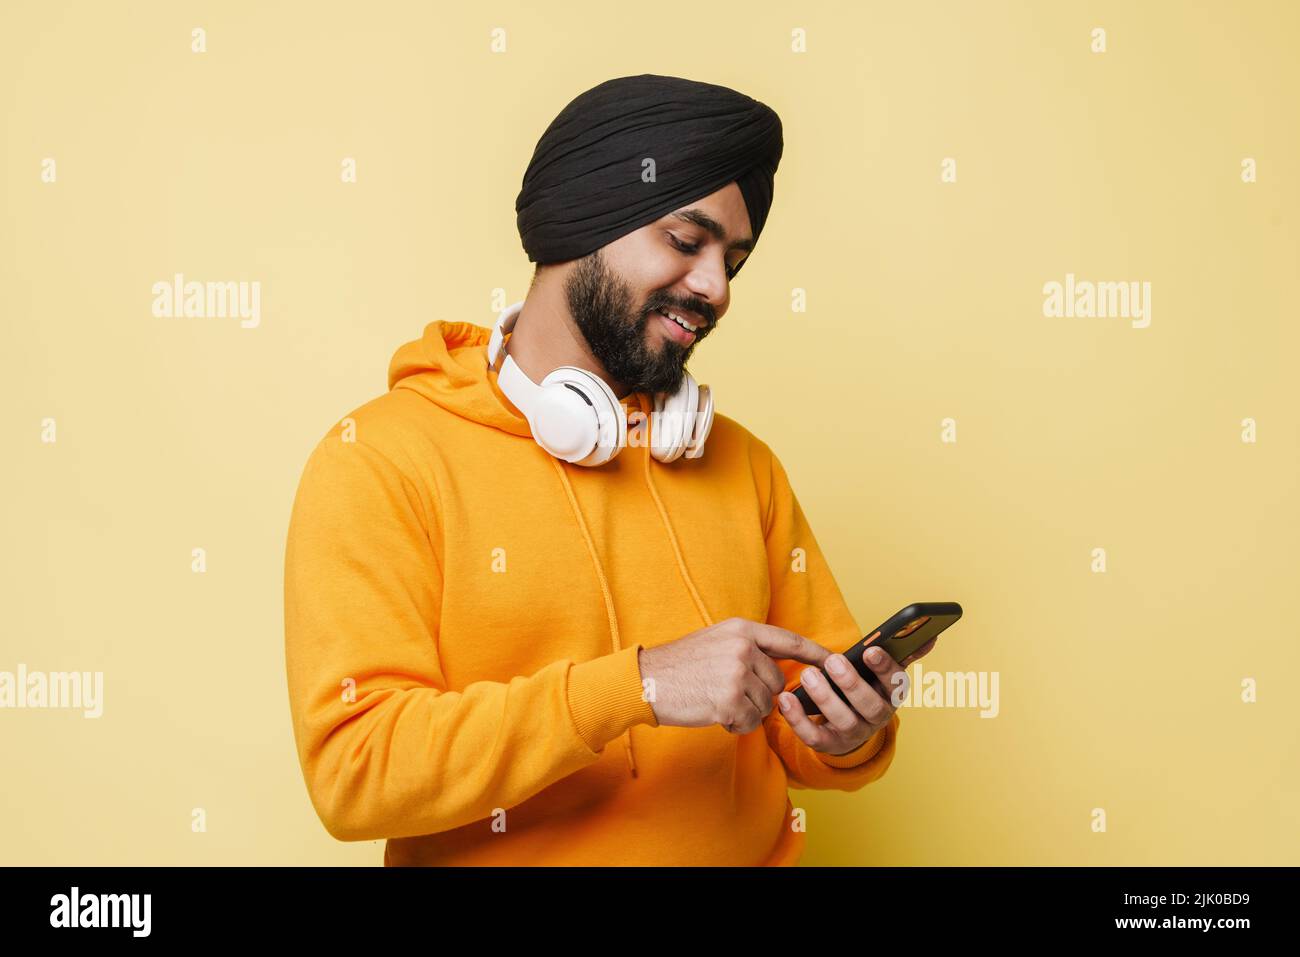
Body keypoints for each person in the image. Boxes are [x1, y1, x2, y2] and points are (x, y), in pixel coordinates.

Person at [283, 73, 937, 866]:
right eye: (685, 241)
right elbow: (359, 774)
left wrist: (846, 733)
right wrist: (640, 685)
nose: (716, 288)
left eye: (734, 259)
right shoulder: (383, 460)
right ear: (582, 221)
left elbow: (801, 736)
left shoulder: (743, 465)